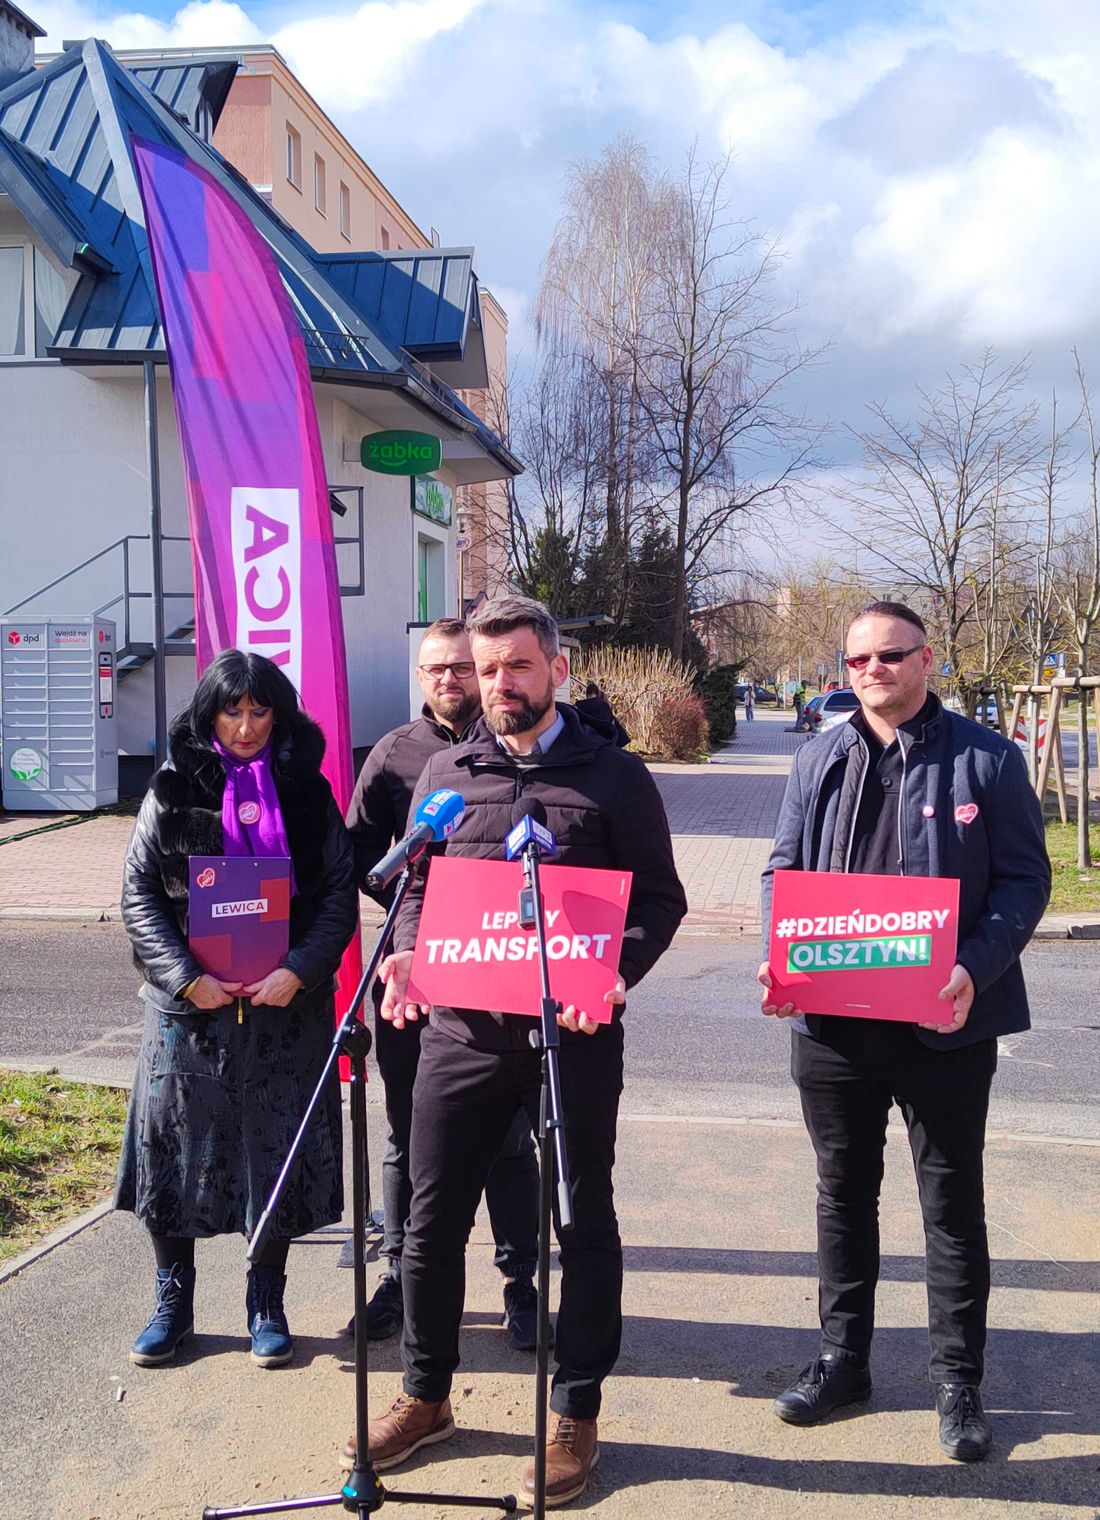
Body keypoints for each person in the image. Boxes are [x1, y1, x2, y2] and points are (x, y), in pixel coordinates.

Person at [340, 594, 687, 1508]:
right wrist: (408, 948)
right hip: (461, 1031)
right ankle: (425, 1395)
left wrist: (620, 971)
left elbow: (660, 899)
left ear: (557, 670)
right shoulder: (444, 772)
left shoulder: (614, 777)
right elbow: (417, 883)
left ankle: (575, 1412)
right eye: (486, 671)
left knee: (584, 1219)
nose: (498, 686)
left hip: (571, 1033)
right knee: (429, 1215)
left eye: (517, 668)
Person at [757, 602, 1050, 1462]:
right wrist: (781, 952)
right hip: (832, 1024)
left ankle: (958, 1381)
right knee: (842, 1195)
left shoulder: (988, 760)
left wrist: (973, 970)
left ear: (928, 660)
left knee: (951, 1204)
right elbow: (783, 868)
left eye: (890, 655)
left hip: (947, 1021)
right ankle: (843, 1361)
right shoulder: (818, 755)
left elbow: (1025, 884)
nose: (873, 670)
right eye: (857, 659)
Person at [115, 649, 357, 1369]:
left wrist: (298, 971)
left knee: (273, 1155)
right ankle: (174, 1301)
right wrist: (188, 979)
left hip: (285, 1012)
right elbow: (139, 899)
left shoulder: (309, 795)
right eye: (232, 710)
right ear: (208, 713)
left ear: (277, 713)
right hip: (190, 1014)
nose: (247, 726)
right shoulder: (167, 791)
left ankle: (265, 1300)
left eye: (259, 711)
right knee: (173, 1155)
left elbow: (340, 896)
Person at [345, 618, 542, 1349]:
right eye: (435, 671)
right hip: (413, 978)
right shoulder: (396, 756)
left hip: (503, 982)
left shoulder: (518, 749)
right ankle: (400, 1272)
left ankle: (521, 1282)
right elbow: (365, 852)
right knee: (406, 1138)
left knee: (511, 1143)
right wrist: (416, 930)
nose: (451, 682)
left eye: (463, 668)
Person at [574, 679, 631, 748]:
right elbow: (610, 723)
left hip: (586, 740)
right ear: (597, 693)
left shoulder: (579, 706)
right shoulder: (603, 705)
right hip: (604, 740)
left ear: (587, 694)